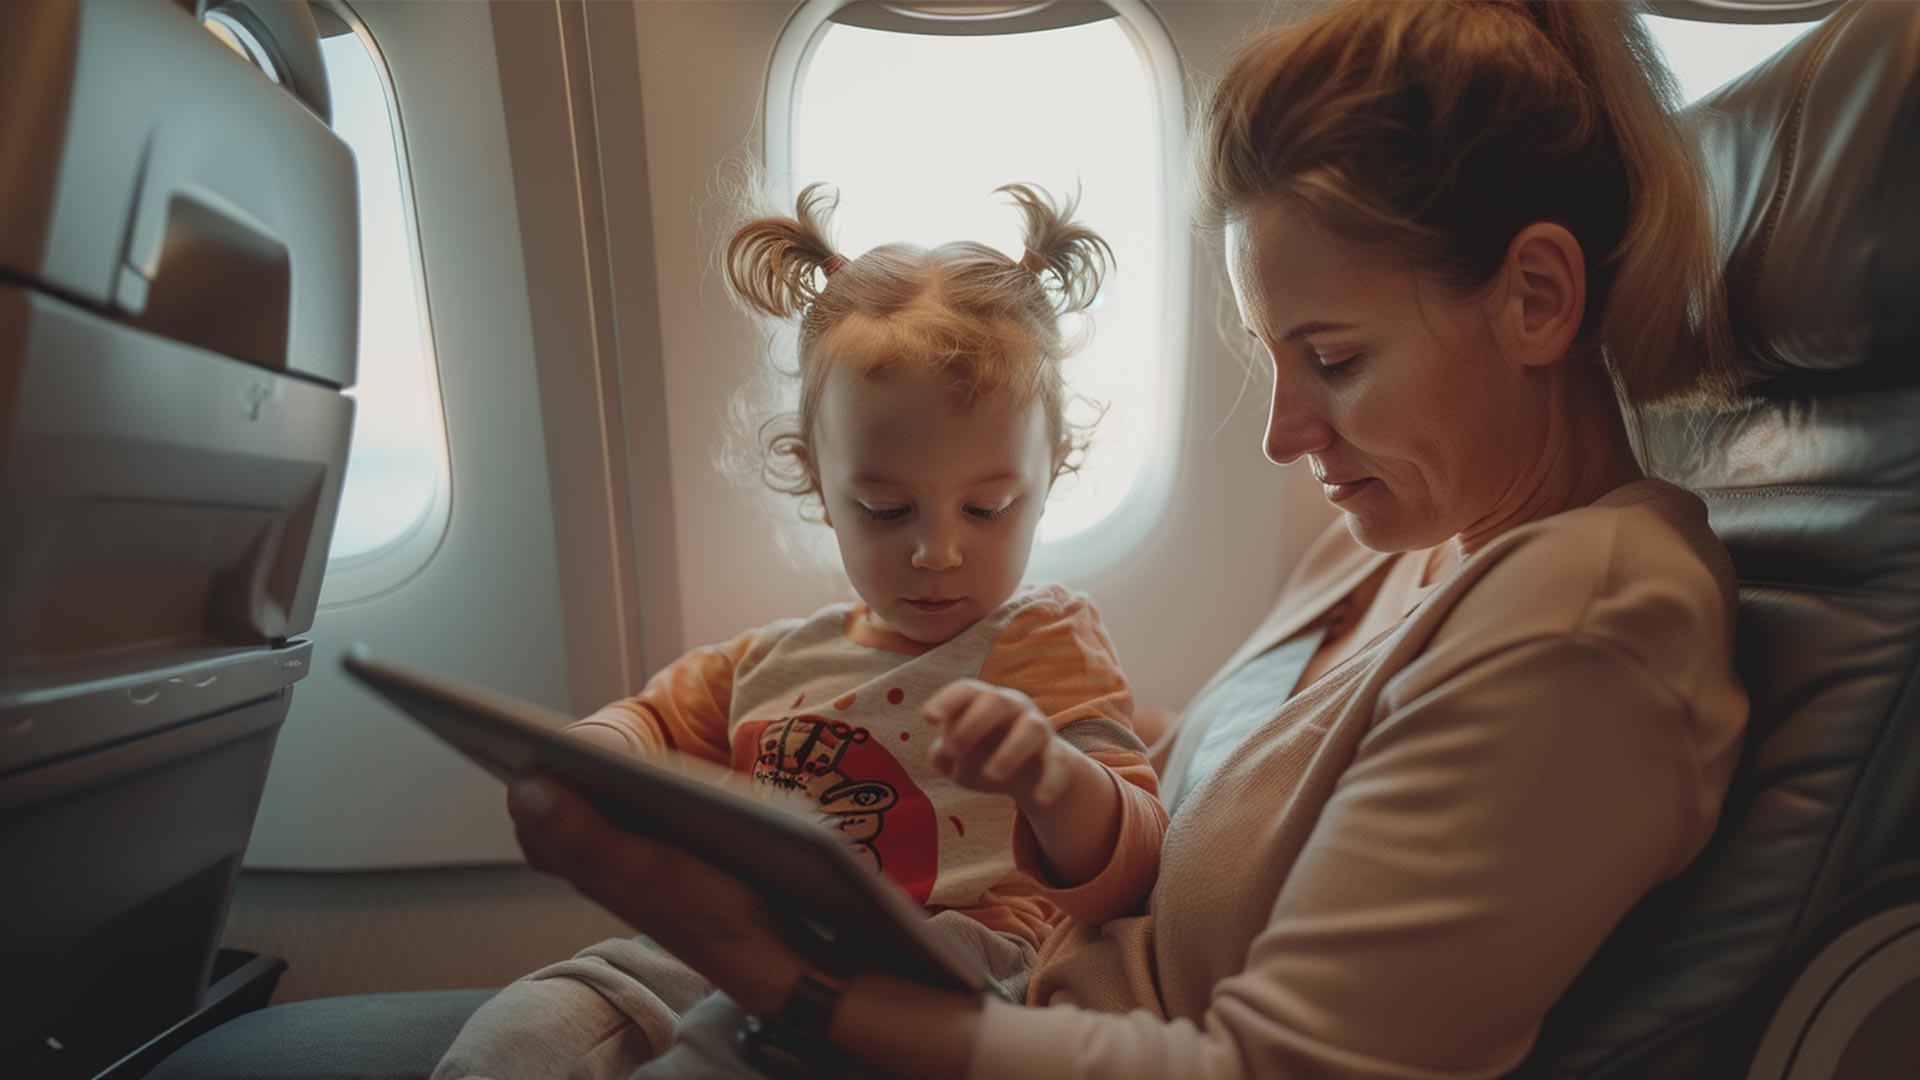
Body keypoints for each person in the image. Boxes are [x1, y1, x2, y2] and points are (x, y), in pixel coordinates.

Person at [504, 2, 1750, 1077]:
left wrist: (784, 976)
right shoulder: (1414, 542)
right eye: (1273, 360)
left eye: (1333, 360)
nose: (1282, 433)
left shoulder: (1589, 623)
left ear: (1535, 296)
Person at [433, 184, 1168, 1079]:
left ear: (1051, 475)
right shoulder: (772, 660)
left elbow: (1132, 868)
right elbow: (645, 726)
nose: (938, 551)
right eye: (886, 508)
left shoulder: (1044, 641)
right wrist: (581, 757)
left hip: (948, 962)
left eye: (988, 507)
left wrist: (1054, 781)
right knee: (533, 1025)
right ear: (819, 483)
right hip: (737, 935)